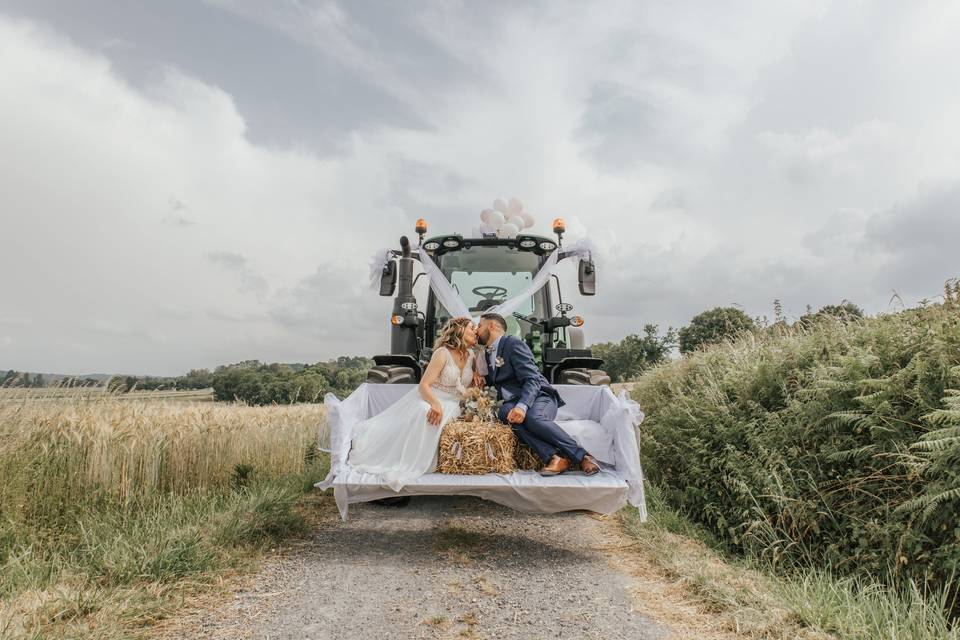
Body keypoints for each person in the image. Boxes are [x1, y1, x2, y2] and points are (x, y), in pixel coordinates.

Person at [347, 317, 479, 491]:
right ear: (459, 330)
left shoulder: (472, 356)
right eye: (472, 328)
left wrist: (477, 385)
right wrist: (435, 404)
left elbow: (464, 388)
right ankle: (406, 459)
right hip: (431, 396)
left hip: (455, 403)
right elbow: (424, 385)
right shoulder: (442, 353)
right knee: (424, 411)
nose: (476, 331)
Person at [475, 313, 600, 476]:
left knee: (533, 418)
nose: (477, 330)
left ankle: (584, 457)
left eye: (479, 325)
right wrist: (480, 378)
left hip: (540, 396)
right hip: (514, 400)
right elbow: (499, 380)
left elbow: (532, 379)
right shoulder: (487, 353)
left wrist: (522, 406)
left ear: (492, 326)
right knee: (505, 413)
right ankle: (555, 458)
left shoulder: (513, 343)